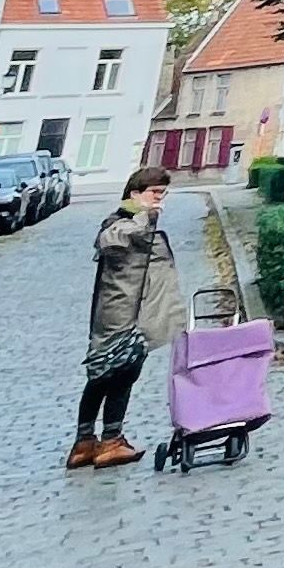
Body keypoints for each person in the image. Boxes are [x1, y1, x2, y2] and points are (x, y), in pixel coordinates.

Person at [71, 167, 187, 468]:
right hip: (121, 315)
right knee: (110, 375)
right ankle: (105, 441)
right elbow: (110, 239)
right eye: (154, 193)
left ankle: (91, 442)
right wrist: (142, 216)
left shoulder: (141, 220)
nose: (160, 200)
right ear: (135, 193)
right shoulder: (122, 219)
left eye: (163, 194)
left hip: (136, 313)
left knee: (116, 374)